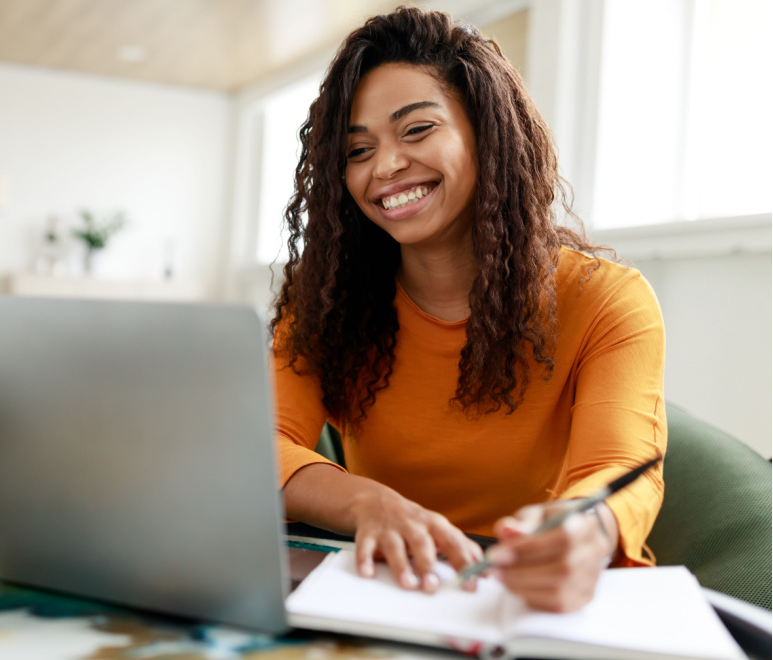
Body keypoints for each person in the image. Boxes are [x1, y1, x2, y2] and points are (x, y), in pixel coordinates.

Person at [271, 6, 665, 613]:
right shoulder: (325, 300)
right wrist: (367, 502)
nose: (386, 166)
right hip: (382, 592)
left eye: (417, 130)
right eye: (357, 150)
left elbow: (620, 469)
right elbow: (262, 442)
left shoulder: (607, 300)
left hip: (528, 604)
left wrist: (586, 531)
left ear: (487, 130)